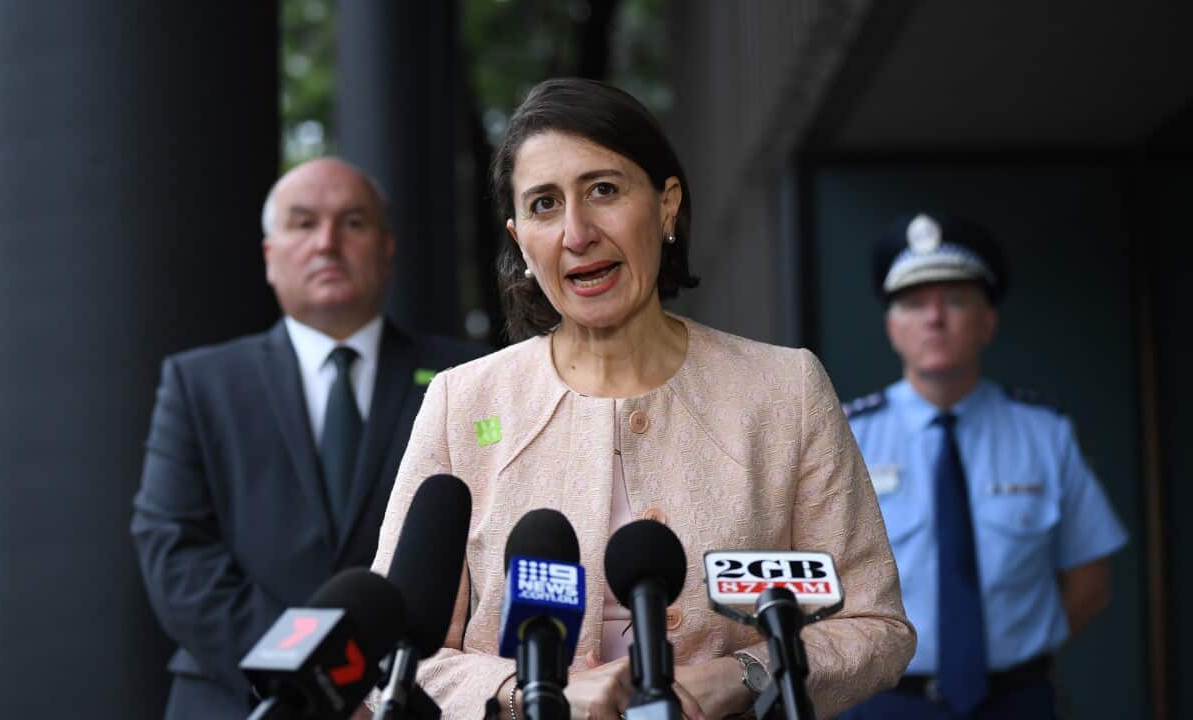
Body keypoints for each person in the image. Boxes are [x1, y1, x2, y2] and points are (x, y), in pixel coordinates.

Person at [371, 78, 915, 720]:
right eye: (545, 205)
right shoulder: (462, 403)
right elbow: (396, 655)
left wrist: (745, 673)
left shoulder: (784, 390)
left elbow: (874, 624)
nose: (577, 233)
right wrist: (532, 695)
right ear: (521, 241)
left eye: (603, 190)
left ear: (665, 204)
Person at [131, 157, 485, 720]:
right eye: (302, 224)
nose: (327, 242)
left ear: (387, 247)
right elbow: (175, 550)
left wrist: (374, 687)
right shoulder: (199, 383)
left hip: (413, 700)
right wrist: (318, 680)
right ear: (270, 257)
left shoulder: (466, 380)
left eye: (353, 222)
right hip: (236, 698)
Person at [839, 213, 1127, 720]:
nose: (934, 319)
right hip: (885, 702)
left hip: (1017, 700)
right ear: (892, 328)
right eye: (913, 304)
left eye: (954, 300)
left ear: (988, 321)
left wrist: (1017, 650)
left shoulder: (1045, 433)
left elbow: (1091, 583)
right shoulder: (848, 436)